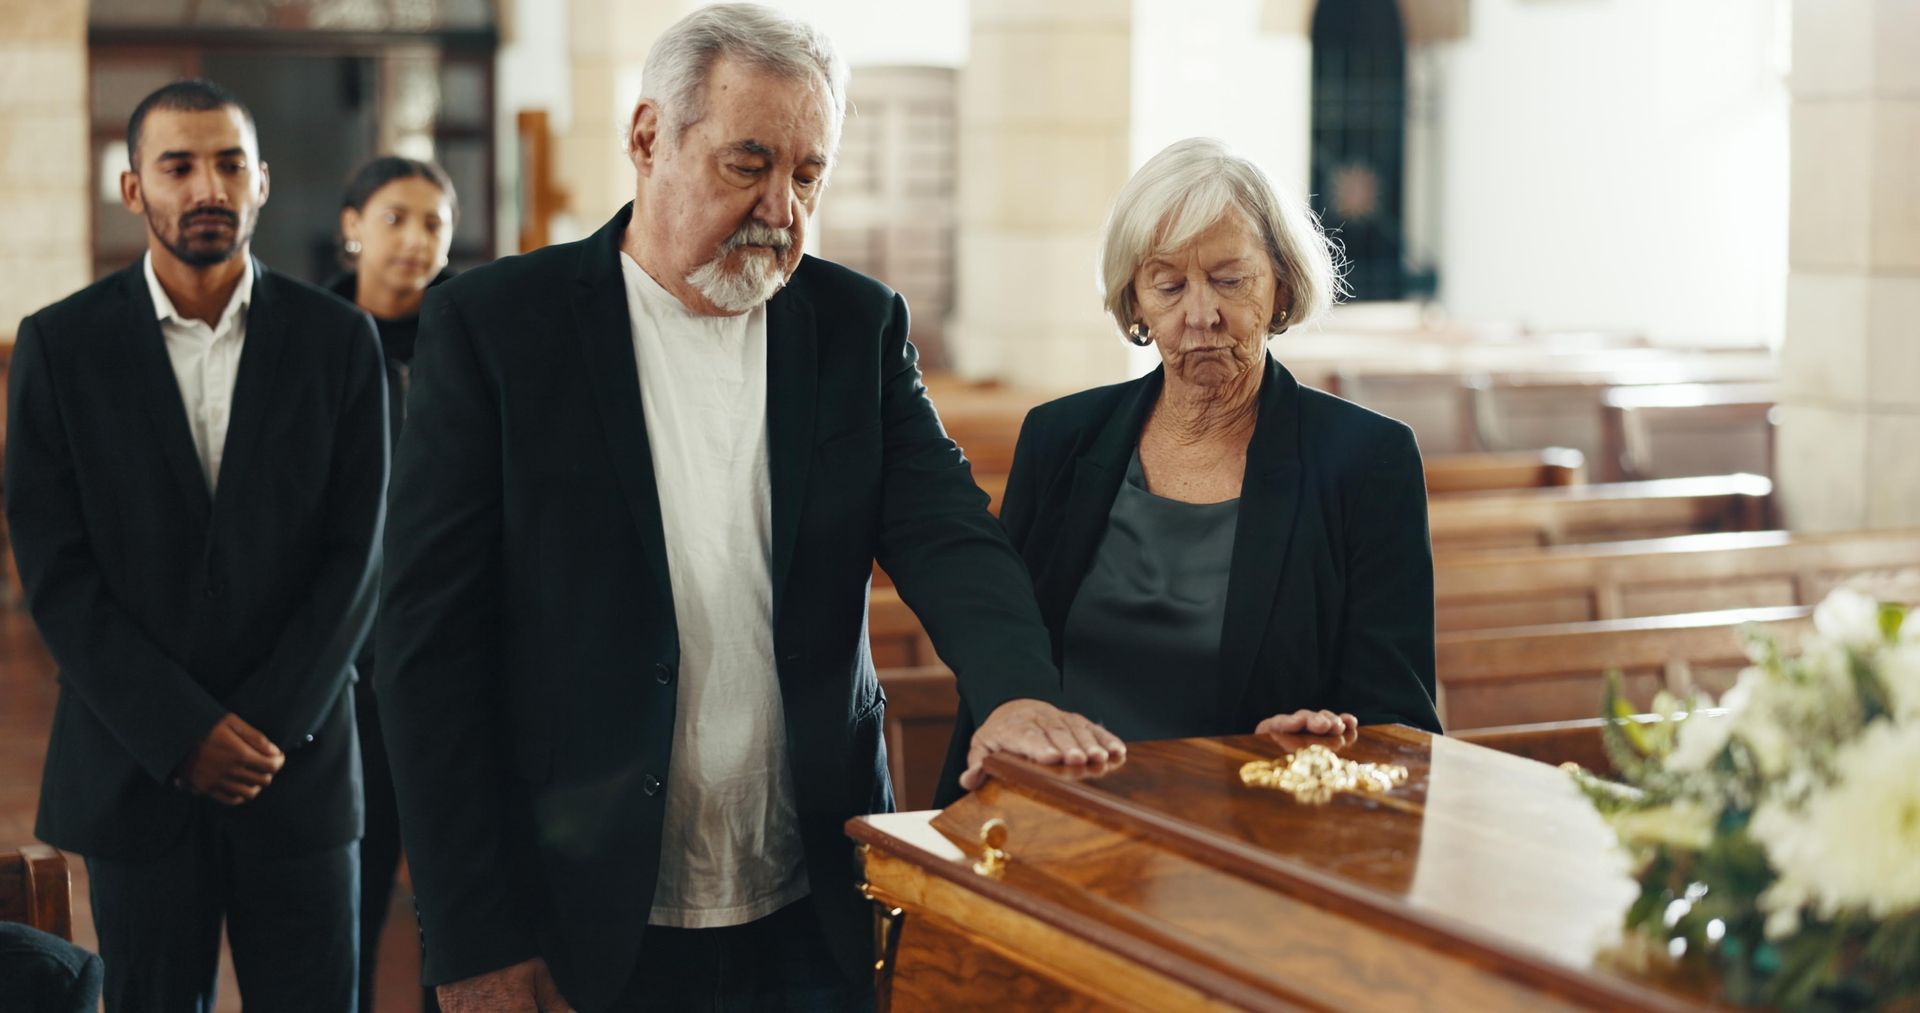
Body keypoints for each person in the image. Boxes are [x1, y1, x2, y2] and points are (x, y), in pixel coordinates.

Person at [376, 6, 1120, 1012]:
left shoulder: (855, 324)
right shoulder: (499, 329)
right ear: (648, 138)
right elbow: (428, 648)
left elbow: (945, 526)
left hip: (810, 885)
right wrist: (472, 940)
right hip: (580, 907)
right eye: (748, 163)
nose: (782, 207)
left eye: (808, 174)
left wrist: (1018, 688)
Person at [4, 79, 387, 1010]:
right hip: (136, 770)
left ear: (259, 182)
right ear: (134, 189)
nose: (206, 185)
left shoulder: (338, 339)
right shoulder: (61, 347)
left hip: (295, 769)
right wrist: (182, 733)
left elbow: (358, 552)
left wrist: (262, 729)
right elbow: (57, 569)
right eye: (178, 165)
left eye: (227, 164)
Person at [938, 137, 1441, 805]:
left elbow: (1400, 724)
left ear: (1282, 284)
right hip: (1062, 818)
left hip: (1252, 832)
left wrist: (1324, 741)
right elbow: (1008, 645)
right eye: (1168, 284)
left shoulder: (1367, 461)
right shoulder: (1061, 440)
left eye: (1230, 280)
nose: (1199, 314)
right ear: (1136, 303)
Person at [327, 154, 457, 1013]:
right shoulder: (311, 335)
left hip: (448, 646)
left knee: (454, 879)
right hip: (348, 659)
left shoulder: (466, 333)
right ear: (351, 230)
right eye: (394, 218)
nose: (414, 240)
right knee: (355, 873)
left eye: (433, 223)